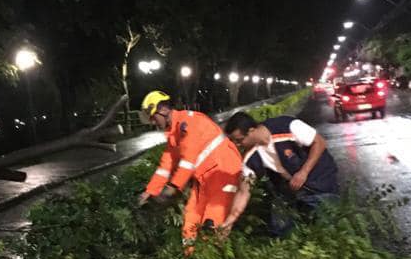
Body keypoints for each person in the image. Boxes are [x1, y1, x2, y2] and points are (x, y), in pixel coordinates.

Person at [137, 90, 244, 245]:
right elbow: (165, 166)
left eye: (153, 117)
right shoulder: (174, 133)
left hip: (224, 172)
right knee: (191, 220)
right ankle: (190, 258)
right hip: (205, 178)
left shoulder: (189, 123)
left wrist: (172, 188)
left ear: (164, 110)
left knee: (212, 223)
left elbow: (188, 161)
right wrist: (150, 191)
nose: (153, 123)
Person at [219, 112, 339, 237]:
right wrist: (230, 221)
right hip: (290, 189)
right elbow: (243, 192)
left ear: (251, 130)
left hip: (321, 180)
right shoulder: (250, 158)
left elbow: (319, 142)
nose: (237, 145)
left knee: (326, 226)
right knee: (280, 228)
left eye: (239, 140)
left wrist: (304, 172)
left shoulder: (287, 127)